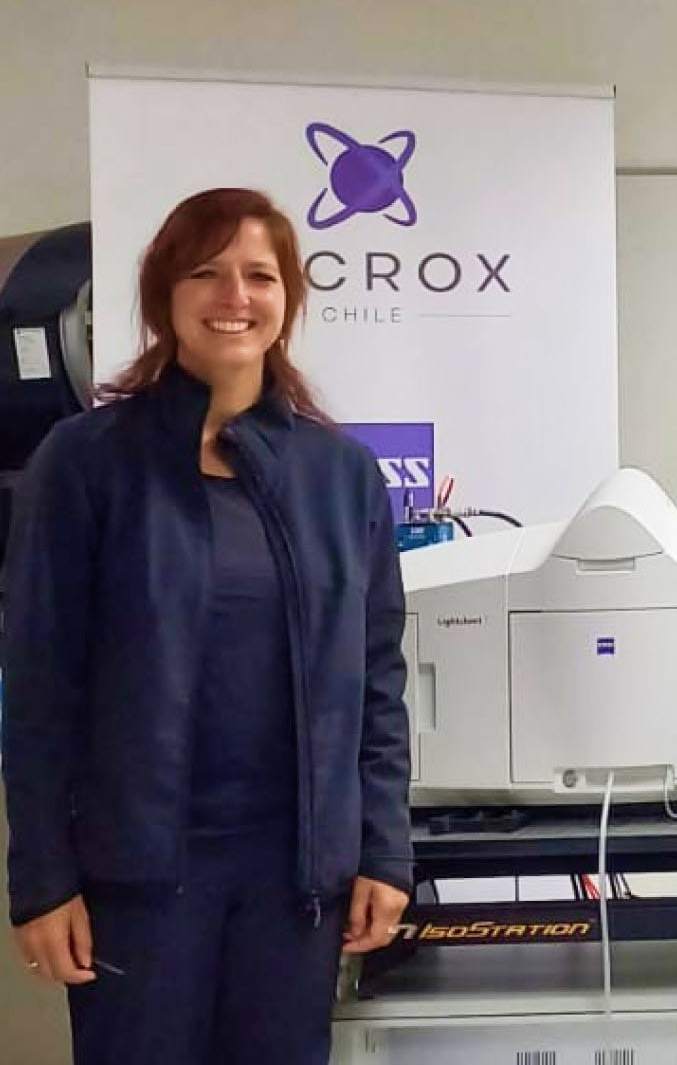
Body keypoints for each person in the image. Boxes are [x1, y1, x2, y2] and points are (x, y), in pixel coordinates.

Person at [3, 188, 413, 1064]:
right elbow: (37, 686)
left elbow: (376, 682)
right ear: (164, 300)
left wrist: (384, 851)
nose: (236, 296)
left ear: (288, 300)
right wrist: (41, 881)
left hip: (296, 885)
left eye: (259, 275)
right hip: (137, 882)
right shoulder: (83, 462)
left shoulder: (341, 477)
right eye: (207, 273)